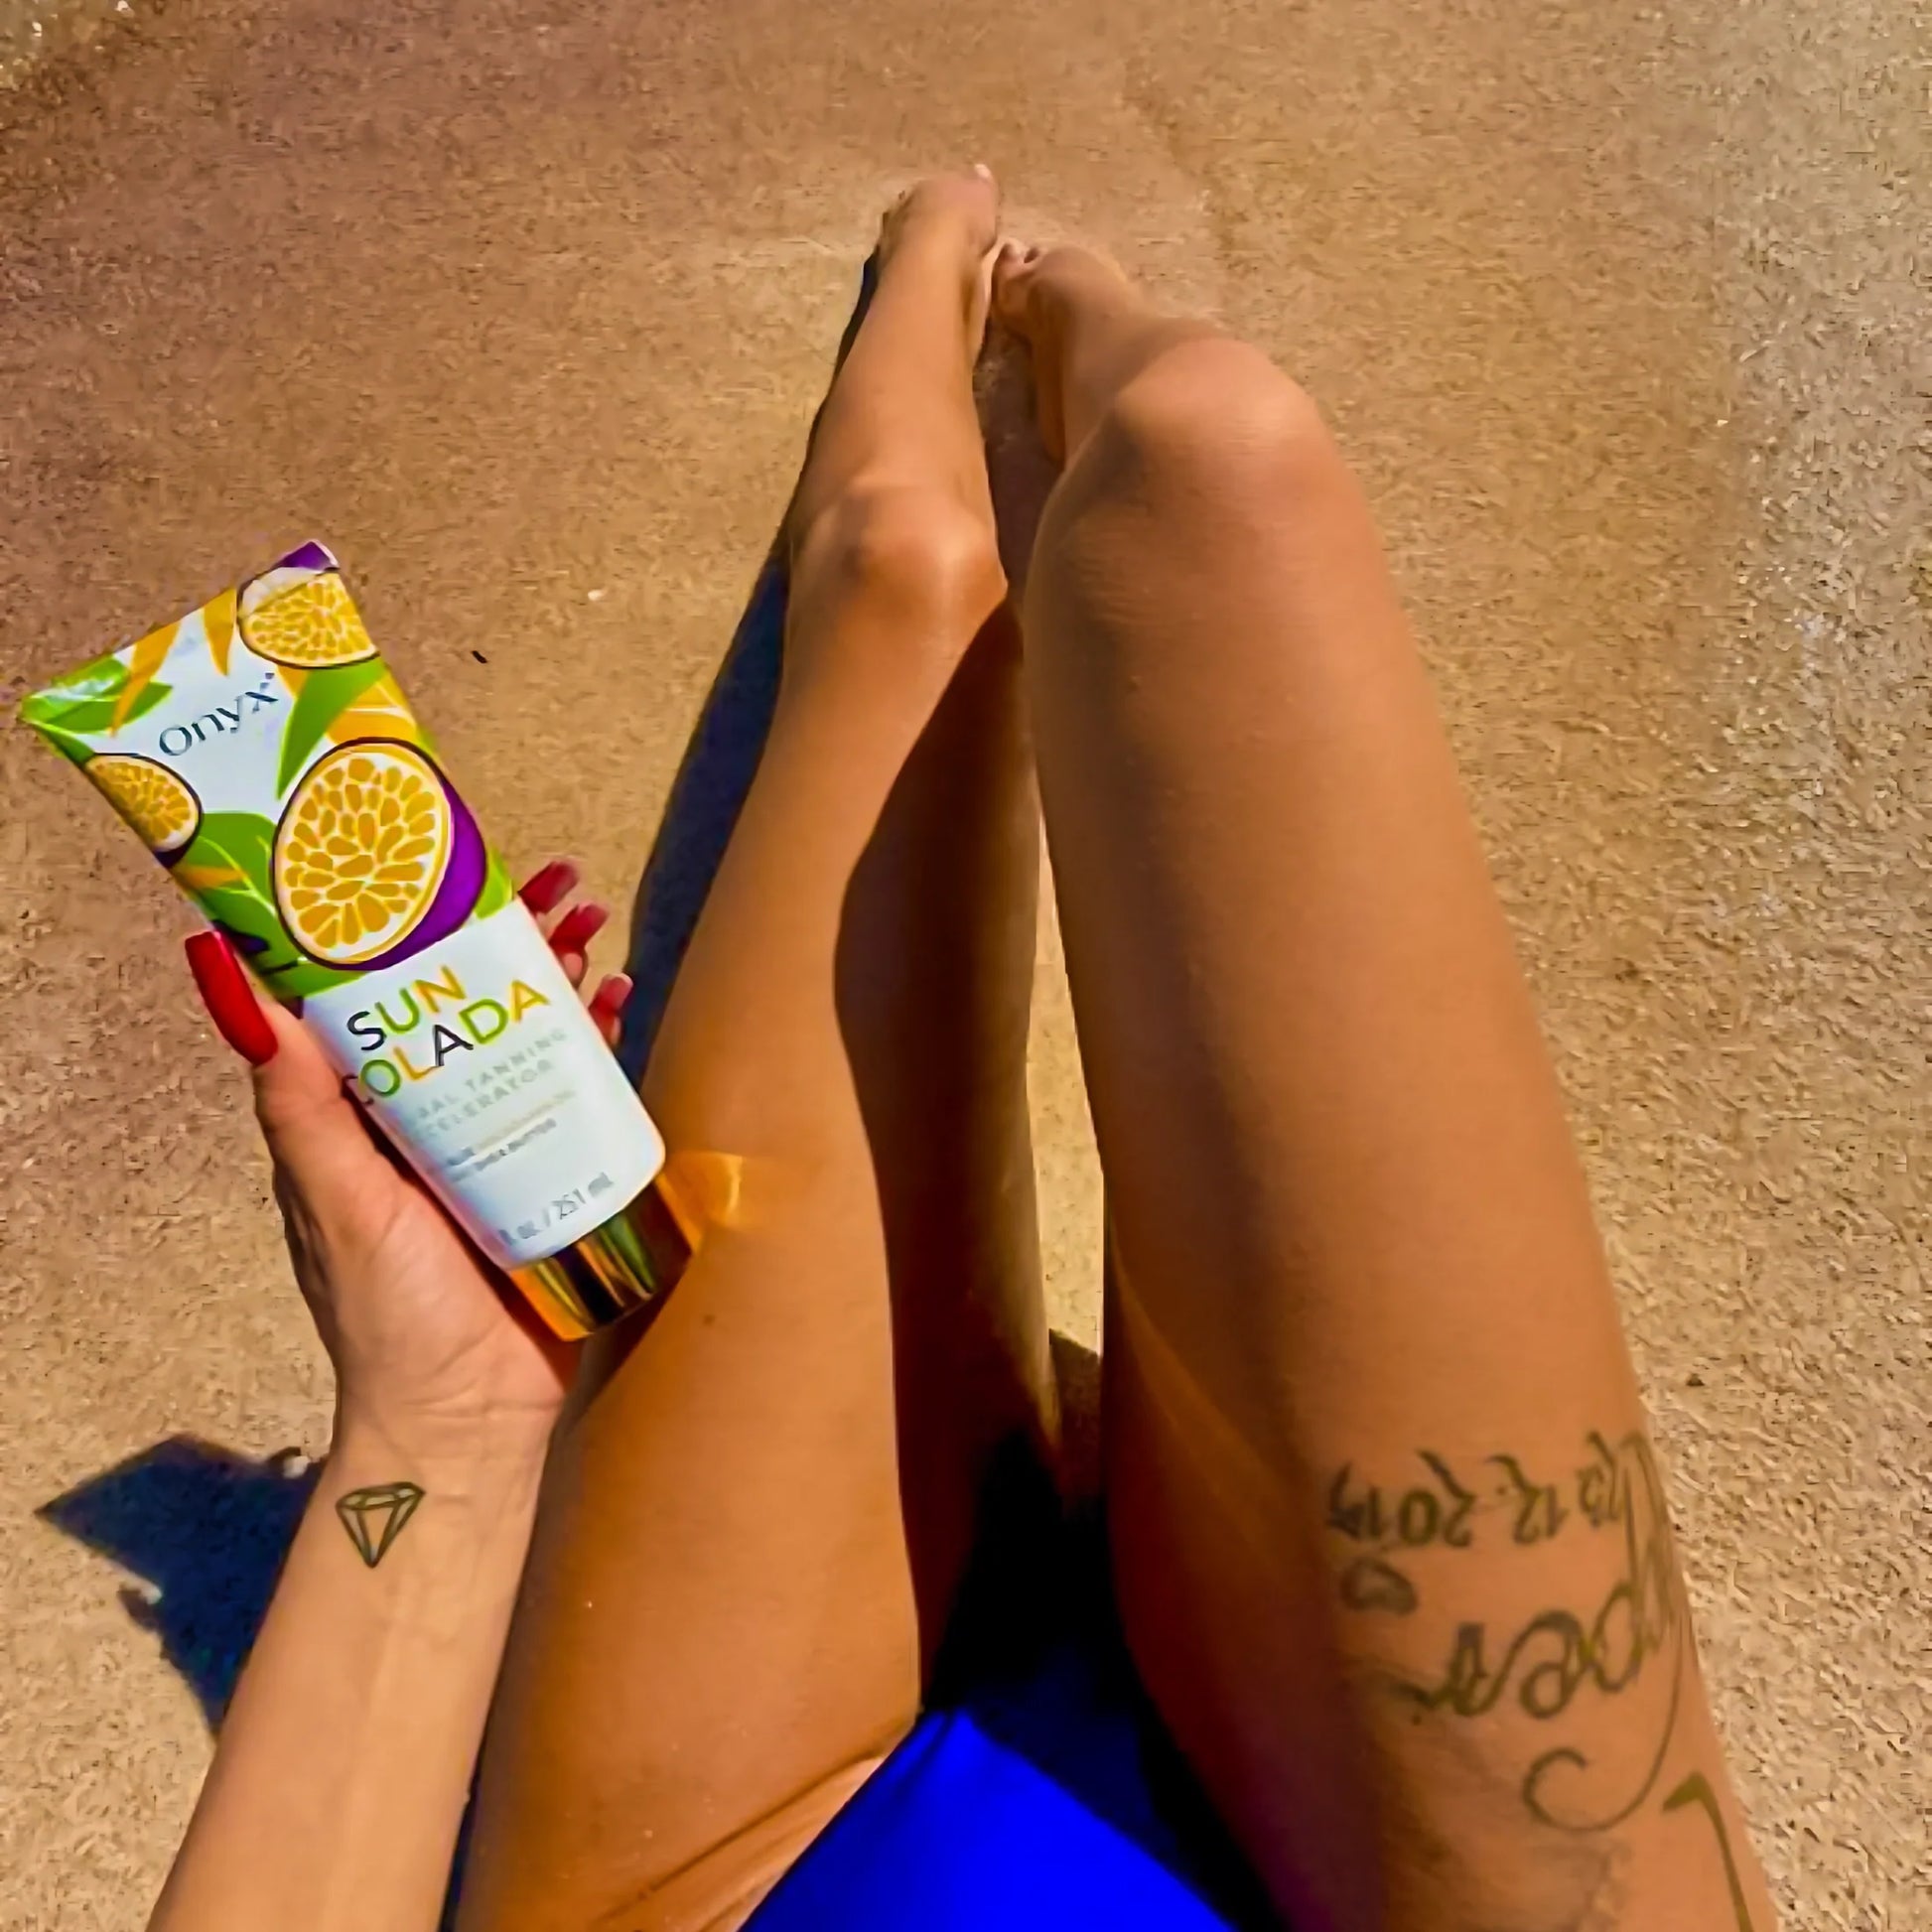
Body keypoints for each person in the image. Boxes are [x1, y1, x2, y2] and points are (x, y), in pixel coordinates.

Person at [147, 170, 1775, 1932]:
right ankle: (1047, 307)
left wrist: (436, 1431)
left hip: (740, 1877)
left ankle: (950, 274)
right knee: (1214, 469)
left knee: (904, 589)